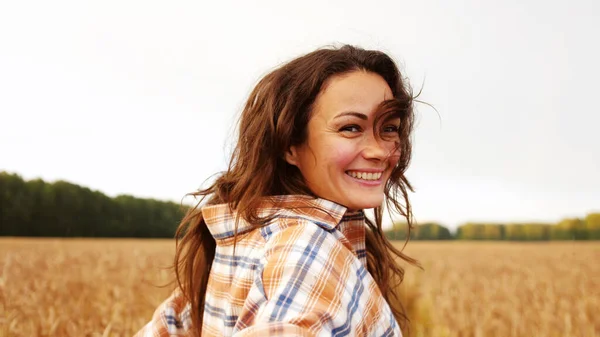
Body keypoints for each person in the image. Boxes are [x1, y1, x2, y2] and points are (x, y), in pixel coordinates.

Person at [135, 44, 420, 337]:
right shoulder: (308, 249)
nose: (379, 151)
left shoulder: (244, 240)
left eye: (389, 128)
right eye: (350, 128)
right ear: (289, 145)